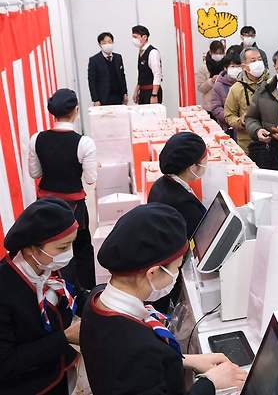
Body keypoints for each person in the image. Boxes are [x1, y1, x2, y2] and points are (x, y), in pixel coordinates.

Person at [80, 203, 247, 395]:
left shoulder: (98, 298)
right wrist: (209, 383)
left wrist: (184, 360)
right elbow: (138, 362)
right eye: (176, 268)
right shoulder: (135, 347)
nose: (176, 275)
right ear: (153, 272)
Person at [0, 198, 82, 395]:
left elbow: (77, 293)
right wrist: (65, 337)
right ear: (30, 250)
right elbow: (6, 364)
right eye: (62, 248)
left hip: (62, 372)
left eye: (71, 244)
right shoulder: (5, 289)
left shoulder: (51, 264)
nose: (69, 254)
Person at [28, 89, 97, 291]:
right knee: (81, 248)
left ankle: (53, 290)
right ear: (76, 111)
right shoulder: (84, 142)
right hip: (73, 207)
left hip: (45, 206)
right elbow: (91, 179)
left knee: (49, 248)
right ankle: (84, 292)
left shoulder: (36, 139)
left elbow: (35, 173)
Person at [147, 132, 208, 313]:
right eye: (204, 160)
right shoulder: (183, 202)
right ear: (193, 167)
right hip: (170, 280)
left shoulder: (161, 184)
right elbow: (202, 237)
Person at [224, 47, 270, 151]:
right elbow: (228, 115)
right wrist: (241, 121)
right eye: (253, 61)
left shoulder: (271, 84)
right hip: (247, 145)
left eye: (260, 59)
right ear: (244, 66)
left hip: (271, 143)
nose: (258, 63)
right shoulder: (236, 88)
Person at [87, 32, 128, 106]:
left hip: (118, 96)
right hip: (103, 98)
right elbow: (91, 81)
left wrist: (125, 93)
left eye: (109, 42)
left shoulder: (118, 57)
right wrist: (95, 99)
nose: (107, 44)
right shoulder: (94, 60)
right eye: (104, 43)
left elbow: (122, 76)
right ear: (100, 44)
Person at [209, 45, 242, 133]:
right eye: (232, 67)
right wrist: (231, 119)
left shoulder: (247, 83)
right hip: (228, 127)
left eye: (238, 66)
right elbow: (216, 108)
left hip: (246, 126)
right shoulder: (219, 85)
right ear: (225, 68)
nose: (236, 69)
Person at [131, 25, 163, 105]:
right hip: (143, 91)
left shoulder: (152, 52)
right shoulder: (141, 51)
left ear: (144, 37)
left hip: (151, 92)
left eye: (135, 37)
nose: (133, 40)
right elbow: (142, 74)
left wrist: (154, 95)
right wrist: (136, 90)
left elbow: (157, 74)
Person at [195, 40, 225, 118]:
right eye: (216, 53)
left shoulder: (226, 65)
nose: (218, 55)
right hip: (210, 106)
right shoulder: (203, 67)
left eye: (221, 53)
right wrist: (211, 81)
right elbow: (200, 88)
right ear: (211, 52)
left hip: (225, 105)